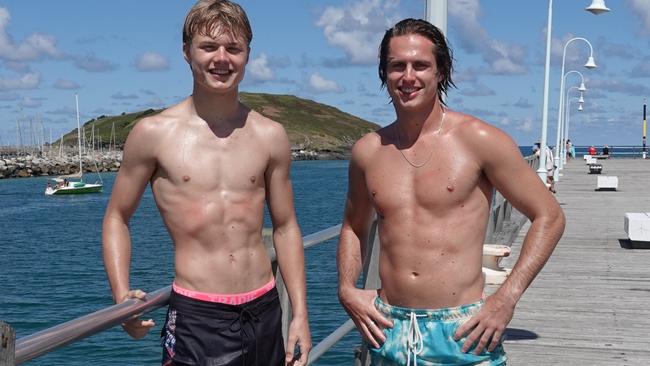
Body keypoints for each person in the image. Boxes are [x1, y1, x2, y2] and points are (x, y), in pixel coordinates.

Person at [337, 18, 565, 366]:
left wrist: (506, 298)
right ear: (384, 73)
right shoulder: (368, 151)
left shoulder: (479, 140)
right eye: (397, 66)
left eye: (421, 65)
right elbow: (354, 226)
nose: (408, 76)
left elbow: (549, 216)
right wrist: (347, 289)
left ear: (440, 72)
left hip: (463, 332)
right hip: (387, 329)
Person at [102, 1, 311, 365]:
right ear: (186, 52)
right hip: (196, 317)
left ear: (248, 54)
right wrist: (122, 294)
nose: (221, 58)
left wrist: (300, 314)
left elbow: (286, 226)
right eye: (208, 47)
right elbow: (117, 216)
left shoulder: (270, 135)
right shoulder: (153, 134)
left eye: (233, 48)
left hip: (265, 308)